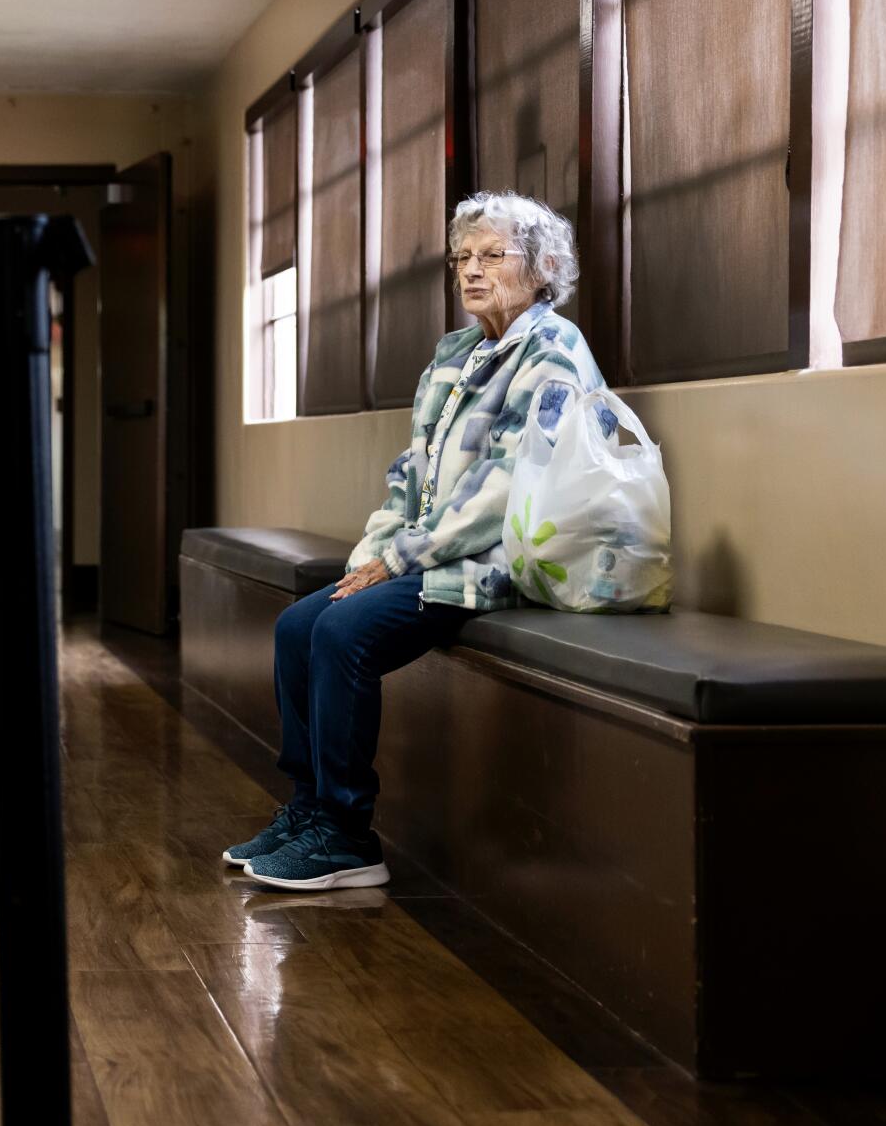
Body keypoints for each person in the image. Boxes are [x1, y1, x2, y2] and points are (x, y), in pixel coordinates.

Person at [226, 191, 607, 892]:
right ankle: (310, 807)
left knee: (341, 634)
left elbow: (505, 491)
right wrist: (367, 556)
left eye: (493, 255)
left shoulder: (554, 352)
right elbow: (412, 474)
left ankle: (346, 835)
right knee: (296, 625)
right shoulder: (456, 352)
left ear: (543, 267)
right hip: (433, 553)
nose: (471, 270)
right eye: (463, 256)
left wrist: (396, 558)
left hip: (501, 562)